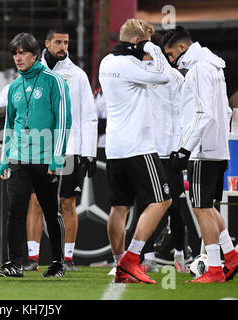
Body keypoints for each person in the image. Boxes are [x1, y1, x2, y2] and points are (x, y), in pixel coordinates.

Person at [99, 18, 172, 284]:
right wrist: (155, 49)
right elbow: (163, 76)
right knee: (163, 200)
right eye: (144, 43)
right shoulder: (131, 64)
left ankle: (118, 263)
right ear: (137, 42)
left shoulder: (106, 62)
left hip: (115, 147)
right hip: (139, 146)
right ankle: (132, 258)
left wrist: (145, 49)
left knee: (119, 207)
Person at [0, 32, 72, 278]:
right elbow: (10, 123)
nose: (18, 57)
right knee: (15, 212)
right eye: (15, 53)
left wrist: (57, 157)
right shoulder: (14, 86)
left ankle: (58, 263)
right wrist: (5, 158)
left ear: (36, 54)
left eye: (23, 52)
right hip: (18, 158)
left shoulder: (54, 81)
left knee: (50, 212)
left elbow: (64, 120)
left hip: (45, 158)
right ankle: (14, 263)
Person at [163, 26, 238, 283]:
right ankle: (230, 256)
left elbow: (201, 113)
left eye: (171, 54)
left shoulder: (197, 69)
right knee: (207, 206)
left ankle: (215, 269)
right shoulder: (214, 67)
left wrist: (184, 148)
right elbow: (225, 112)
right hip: (215, 146)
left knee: (201, 208)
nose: (172, 61)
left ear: (182, 48)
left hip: (201, 149)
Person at [23, 29, 98, 272]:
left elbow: (89, 115)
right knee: (35, 200)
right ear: (46, 43)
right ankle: (33, 258)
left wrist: (89, 152)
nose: (63, 46)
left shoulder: (77, 75)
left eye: (66, 42)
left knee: (67, 202)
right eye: (58, 41)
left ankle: (67, 258)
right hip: (40, 147)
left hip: (69, 148)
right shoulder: (33, 71)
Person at [138, 46, 189, 274]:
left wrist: (182, 147)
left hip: (170, 152)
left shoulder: (175, 76)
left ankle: (179, 253)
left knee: (175, 206)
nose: (147, 59)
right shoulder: (138, 73)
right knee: (145, 205)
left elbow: (185, 112)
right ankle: (148, 257)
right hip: (146, 150)